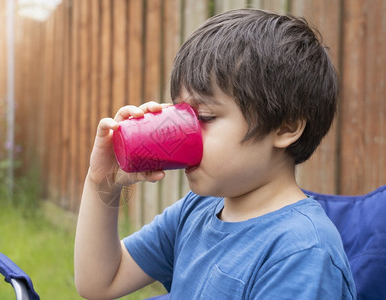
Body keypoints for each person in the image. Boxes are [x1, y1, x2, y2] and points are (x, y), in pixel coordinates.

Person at [74, 8, 356, 299]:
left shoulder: (301, 251)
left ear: (286, 128)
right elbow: (100, 283)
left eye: (205, 117)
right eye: (181, 115)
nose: (182, 133)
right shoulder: (196, 209)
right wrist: (103, 183)